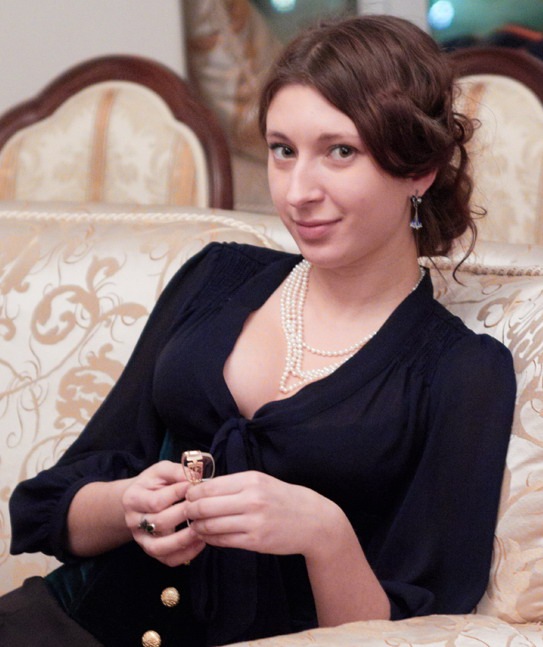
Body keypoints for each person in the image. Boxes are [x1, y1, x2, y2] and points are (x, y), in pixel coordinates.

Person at [1, 14, 515, 647]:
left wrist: (325, 534)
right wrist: (128, 504)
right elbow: (55, 504)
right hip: (63, 623)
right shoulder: (217, 277)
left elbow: (417, 634)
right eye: (282, 150)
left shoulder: (461, 371)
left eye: (340, 151)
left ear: (421, 169)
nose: (298, 193)